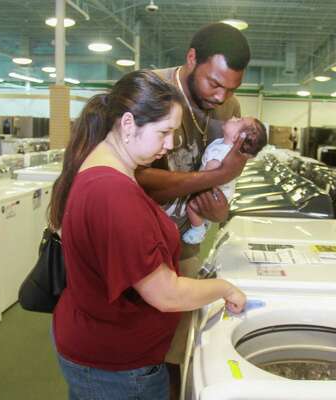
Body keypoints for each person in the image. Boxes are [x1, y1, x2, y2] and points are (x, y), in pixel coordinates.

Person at [49, 70, 247, 400]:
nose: (169, 144)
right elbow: (165, 294)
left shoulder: (108, 170)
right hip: (116, 368)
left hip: (102, 347)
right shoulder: (113, 193)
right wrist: (224, 288)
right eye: (164, 132)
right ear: (128, 125)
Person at [135, 22, 251, 387]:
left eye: (231, 87)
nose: (221, 97)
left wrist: (222, 212)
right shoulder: (151, 92)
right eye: (213, 83)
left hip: (185, 238)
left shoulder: (229, 106)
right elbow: (138, 181)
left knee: (180, 340)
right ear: (190, 59)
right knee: (140, 339)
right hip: (140, 241)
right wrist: (214, 178)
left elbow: (227, 177)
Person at [183, 117, 267, 244]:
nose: (234, 118)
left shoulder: (223, 153)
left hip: (216, 193)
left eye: (238, 121)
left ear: (237, 138)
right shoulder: (221, 143)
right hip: (219, 190)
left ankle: (198, 229)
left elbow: (208, 176)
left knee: (192, 206)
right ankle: (204, 222)